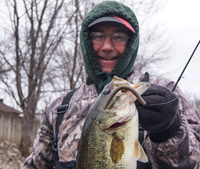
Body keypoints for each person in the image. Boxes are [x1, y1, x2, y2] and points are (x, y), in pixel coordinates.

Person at [24, 1, 200, 169]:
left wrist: (169, 131)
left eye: (118, 37)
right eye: (98, 36)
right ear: (86, 41)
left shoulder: (166, 93)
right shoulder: (57, 110)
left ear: (131, 43)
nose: (107, 46)